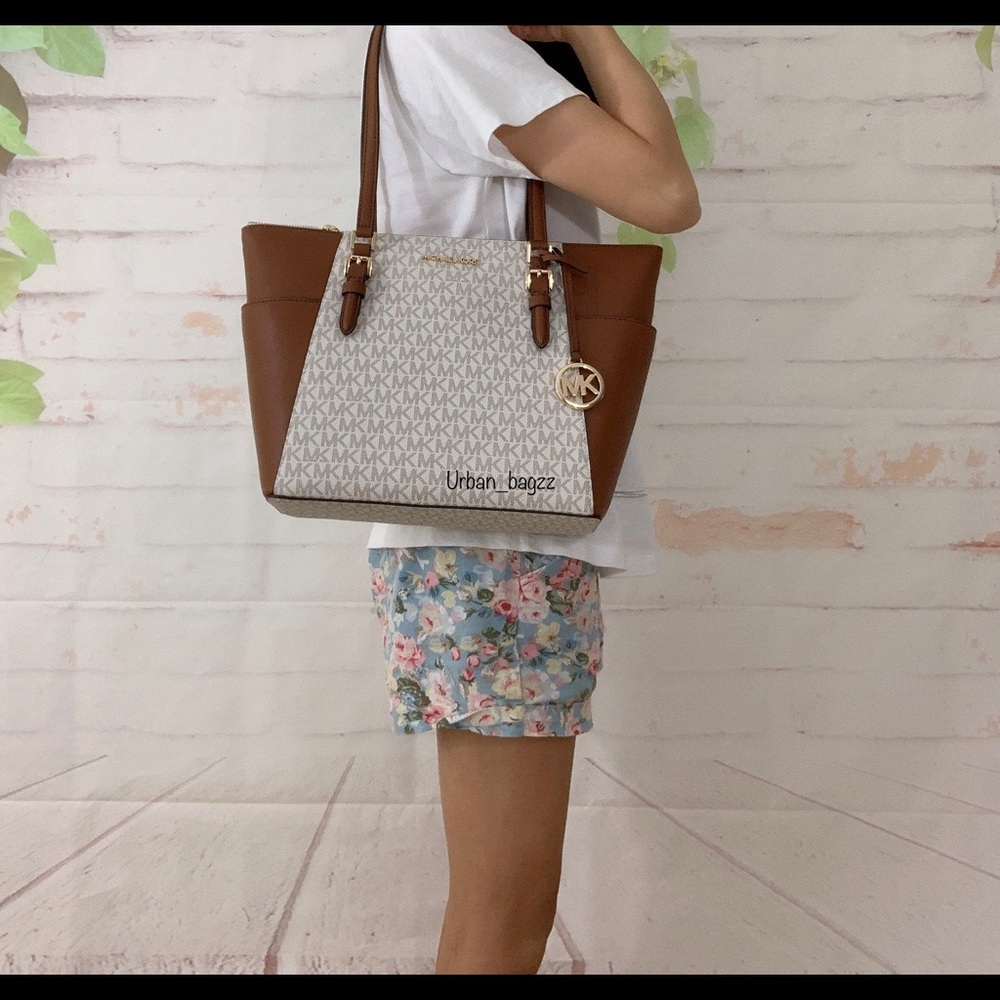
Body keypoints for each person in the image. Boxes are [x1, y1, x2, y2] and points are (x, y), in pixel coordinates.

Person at [366, 25, 701, 975]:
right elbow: (667, 195)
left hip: (489, 526)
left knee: (500, 911)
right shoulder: (454, 36)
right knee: (506, 916)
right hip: (496, 530)